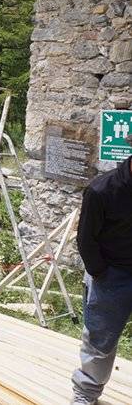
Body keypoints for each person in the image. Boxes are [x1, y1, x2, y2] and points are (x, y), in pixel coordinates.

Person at [71, 153, 132, 405]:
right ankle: (85, 394)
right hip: (112, 275)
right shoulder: (102, 190)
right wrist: (100, 273)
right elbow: (86, 239)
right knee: (100, 339)